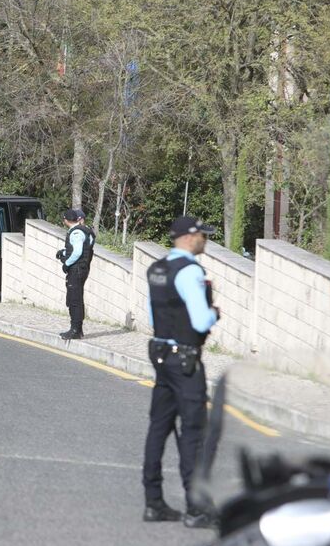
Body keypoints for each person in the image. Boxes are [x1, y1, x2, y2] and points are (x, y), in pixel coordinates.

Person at [142, 216, 219, 528]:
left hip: (161, 354)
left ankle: (153, 503)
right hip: (185, 360)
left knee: (158, 428)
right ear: (189, 237)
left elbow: (153, 315)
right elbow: (200, 321)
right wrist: (214, 313)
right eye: (203, 235)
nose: (205, 240)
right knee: (193, 433)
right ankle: (196, 508)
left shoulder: (157, 269)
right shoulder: (190, 271)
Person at [55, 209, 95, 341]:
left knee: (74, 300)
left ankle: (75, 330)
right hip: (82, 268)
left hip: (76, 269)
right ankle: (78, 329)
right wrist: (64, 252)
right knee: (76, 298)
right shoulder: (85, 230)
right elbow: (82, 248)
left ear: (66, 220)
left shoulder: (76, 233)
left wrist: (66, 264)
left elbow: (77, 252)